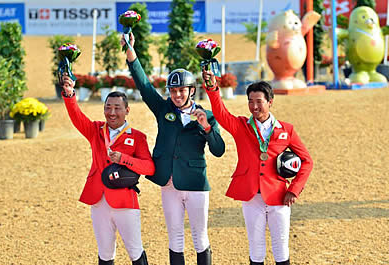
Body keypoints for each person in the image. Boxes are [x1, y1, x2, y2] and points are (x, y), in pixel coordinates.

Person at [121, 33, 225, 265]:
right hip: (168, 182)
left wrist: (207, 128)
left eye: (182, 91)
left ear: (191, 91)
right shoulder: (163, 109)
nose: (177, 95)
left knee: (200, 238)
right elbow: (145, 87)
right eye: (173, 90)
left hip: (196, 183)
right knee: (175, 237)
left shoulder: (206, 115)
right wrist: (131, 54)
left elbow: (219, 150)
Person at [202, 70, 313, 265]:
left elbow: (307, 161)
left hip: (279, 196)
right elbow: (220, 113)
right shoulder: (241, 126)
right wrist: (212, 87)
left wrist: (294, 190)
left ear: (270, 102)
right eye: (250, 101)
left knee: (281, 248)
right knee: (256, 248)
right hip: (252, 196)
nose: (254, 106)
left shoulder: (286, 130)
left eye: (259, 101)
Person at [61, 74, 155, 265]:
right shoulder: (95, 130)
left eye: (117, 108)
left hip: (125, 202)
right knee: (105, 253)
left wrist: (124, 159)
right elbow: (77, 117)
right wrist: (69, 94)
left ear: (127, 110)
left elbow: (149, 168)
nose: (112, 112)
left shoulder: (137, 137)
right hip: (98, 200)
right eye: (108, 107)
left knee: (135, 251)